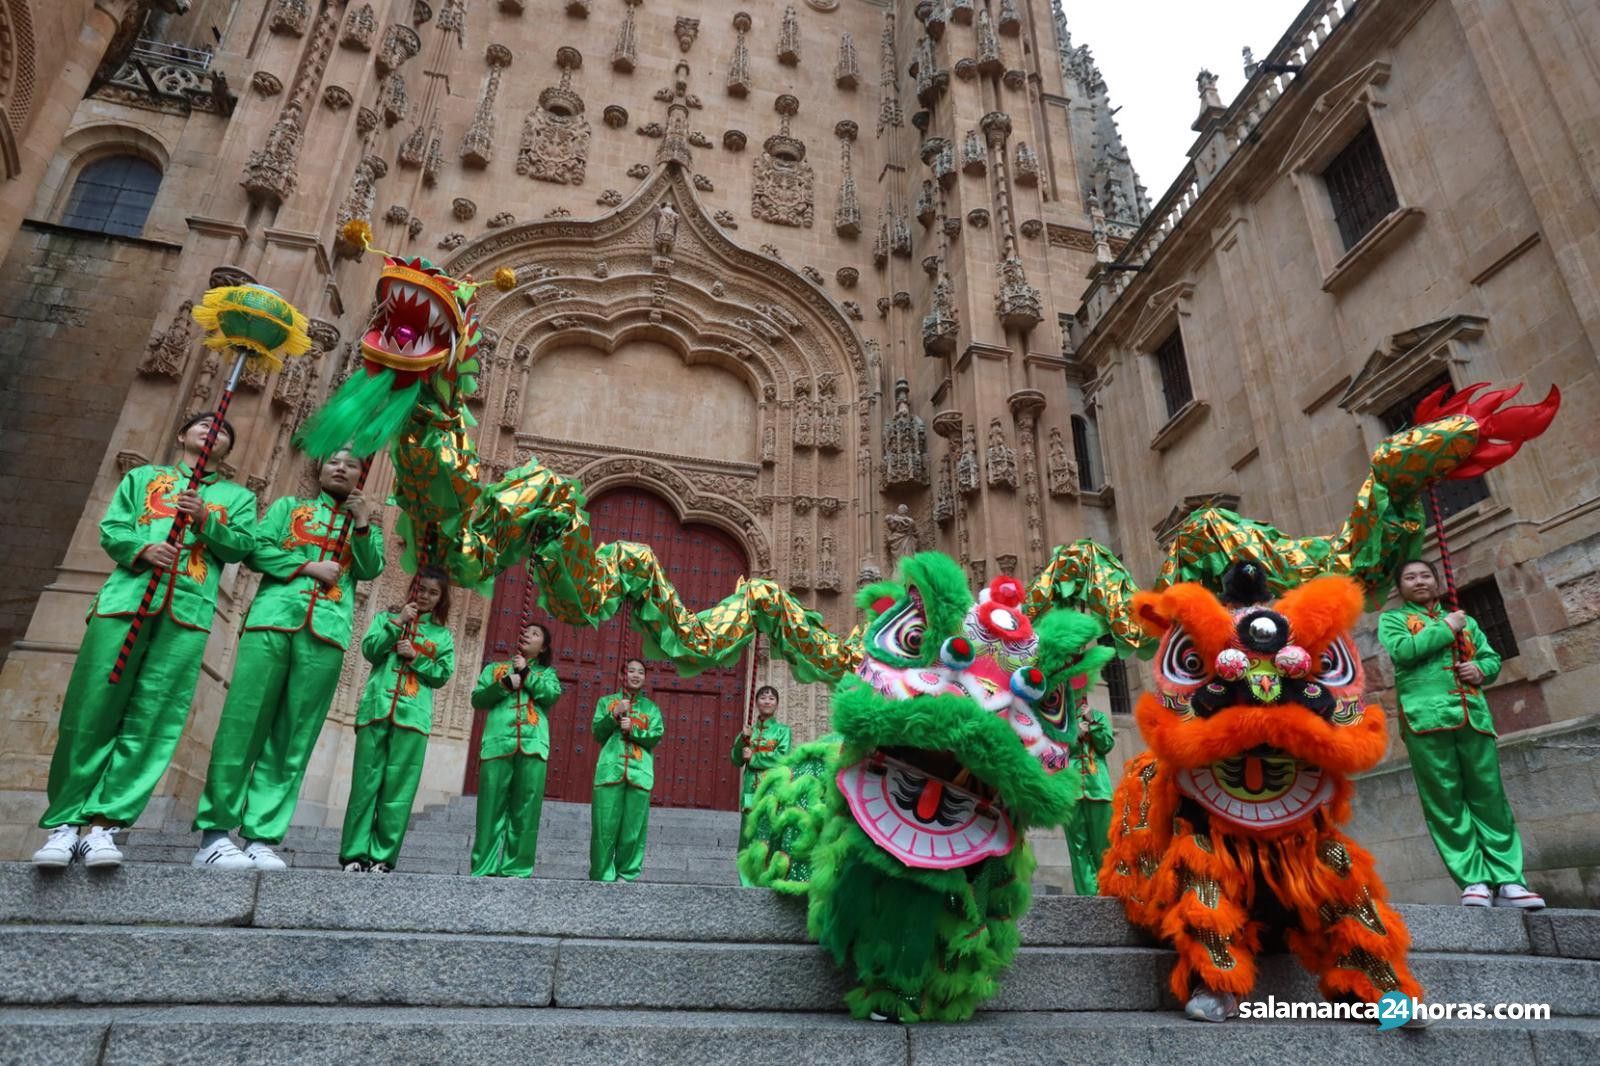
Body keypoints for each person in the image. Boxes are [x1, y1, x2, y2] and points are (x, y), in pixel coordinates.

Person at [31, 415, 256, 868]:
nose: (213, 431)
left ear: (228, 450)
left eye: (224, 430)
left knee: (154, 717)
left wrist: (205, 518)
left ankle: (104, 824)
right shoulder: (143, 478)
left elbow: (241, 547)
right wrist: (142, 549)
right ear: (181, 435)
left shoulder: (237, 497)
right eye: (204, 424)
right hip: (127, 600)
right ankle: (66, 822)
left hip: (186, 613)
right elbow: (113, 528)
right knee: (91, 707)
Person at [190, 449, 384, 870]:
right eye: (335, 461)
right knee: (243, 725)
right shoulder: (289, 508)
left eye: (351, 464)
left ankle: (262, 835)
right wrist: (308, 567)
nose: (340, 467)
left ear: (360, 476)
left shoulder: (363, 526)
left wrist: (364, 520)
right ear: (319, 468)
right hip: (273, 621)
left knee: (294, 738)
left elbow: (369, 570)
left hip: (327, 633)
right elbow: (256, 550)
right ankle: (215, 834)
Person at [1378, 559, 1544, 909]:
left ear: (1437, 582)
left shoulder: (1466, 621)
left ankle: (1509, 879)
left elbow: (1491, 659)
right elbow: (1404, 652)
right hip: (1426, 720)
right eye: (1410, 577)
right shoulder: (1393, 620)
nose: (1419, 581)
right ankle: (1473, 880)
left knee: (1490, 798)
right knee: (1445, 803)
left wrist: (1480, 669)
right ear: (1400, 587)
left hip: (1473, 717)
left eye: (1425, 575)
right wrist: (1447, 627)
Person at [338, 568, 455, 873]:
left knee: (398, 792)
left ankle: (382, 857)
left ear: (441, 599)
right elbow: (370, 650)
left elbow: (443, 675)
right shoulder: (386, 619)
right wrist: (398, 623)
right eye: (421, 589)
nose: (425, 596)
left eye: (433, 592)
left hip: (413, 716)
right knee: (364, 784)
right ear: (412, 588)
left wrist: (416, 658)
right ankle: (354, 854)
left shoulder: (442, 636)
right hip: (376, 708)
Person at [470, 622, 562, 877]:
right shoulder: (495, 669)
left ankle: (516, 868)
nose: (527, 635)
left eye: (535, 634)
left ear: (543, 648)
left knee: (526, 811)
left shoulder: (548, 674)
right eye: (525, 631)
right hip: (498, 743)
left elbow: (551, 696)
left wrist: (527, 675)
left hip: (532, 745)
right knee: (489, 809)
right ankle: (483, 867)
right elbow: (478, 699)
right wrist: (503, 685)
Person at [588, 658, 664, 882]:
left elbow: (655, 736)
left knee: (633, 830)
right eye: (631, 671)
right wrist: (614, 715)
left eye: (640, 672)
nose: (636, 675)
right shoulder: (607, 702)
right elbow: (597, 732)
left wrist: (634, 731)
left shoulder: (651, 709)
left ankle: (627, 875)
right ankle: (601, 875)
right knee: (604, 828)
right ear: (623, 675)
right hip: (610, 770)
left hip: (639, 773)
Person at [730, 685, 792, 886]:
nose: (767, 701)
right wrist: (743, 740)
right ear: (756, 702)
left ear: (777, 704)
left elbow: (782, 757)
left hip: (771, 789)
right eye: (763, 697)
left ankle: (764, 877)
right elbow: (736, 760)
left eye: (772, 698)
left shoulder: (783, 731)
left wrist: (755, 757)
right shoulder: (749, 731)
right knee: (747, 834)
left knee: (768, 832)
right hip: (750, 789)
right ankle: (745, 881)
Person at [1063, 693, 1114, 895]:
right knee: (1078, 847)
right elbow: (1053, 752)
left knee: (1104, 845)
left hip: (1099, 788)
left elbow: (1106, 745)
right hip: (1072, 789)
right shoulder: (1061, 723)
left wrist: (1092, 722)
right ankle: (1087, 896)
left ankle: (1108, 891)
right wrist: (1074, 735)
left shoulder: (1099, 717)